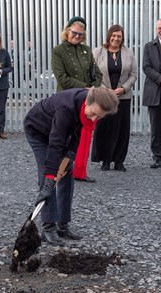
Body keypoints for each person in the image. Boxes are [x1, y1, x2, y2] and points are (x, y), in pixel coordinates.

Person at [24, 87, 118, 246]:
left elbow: (76, 135)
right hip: (38, 130)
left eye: (99, 116)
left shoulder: (88, 109)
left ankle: (63, 224)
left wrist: (68, 157)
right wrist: (49, 179)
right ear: (87, 103)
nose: (94, 119)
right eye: (93, 113)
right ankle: (49, 228)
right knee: (47, 173)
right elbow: (55, 142)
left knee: (67, 171)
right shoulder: (66, 108)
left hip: (59, 131)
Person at [52, 16, 103, 183]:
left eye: (81, 34)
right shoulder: (58, 51)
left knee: (84, 136)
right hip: (67, 99)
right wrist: (85, 87)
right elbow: (62, 78)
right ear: (67, 31)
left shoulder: (86, 50)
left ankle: (80, 172)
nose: (77, 36)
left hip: (86, 98)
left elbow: (97, 72)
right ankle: (61, 172)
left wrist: (94, 87)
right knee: (65, 136)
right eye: (74, 33)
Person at [92, 24, 138, 172]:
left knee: (122, 129)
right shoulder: (98, 52)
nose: (116, 38)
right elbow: (93, 74)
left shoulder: (128, 53)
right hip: (104, 97)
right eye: (114, 35)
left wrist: (124, 88)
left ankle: (119, 161)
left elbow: (134, 75)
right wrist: (105, 90)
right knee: (104, 128)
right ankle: (105, 160)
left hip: (123, 97)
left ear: (122, 38)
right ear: (109, 36)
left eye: (119, 36)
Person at [142, 18, 161, 169]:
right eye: (159, 28)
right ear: (156, 29)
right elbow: (146, 67)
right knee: (156, 128)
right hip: (155, 91)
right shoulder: (149, 46)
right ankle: (157, 157)